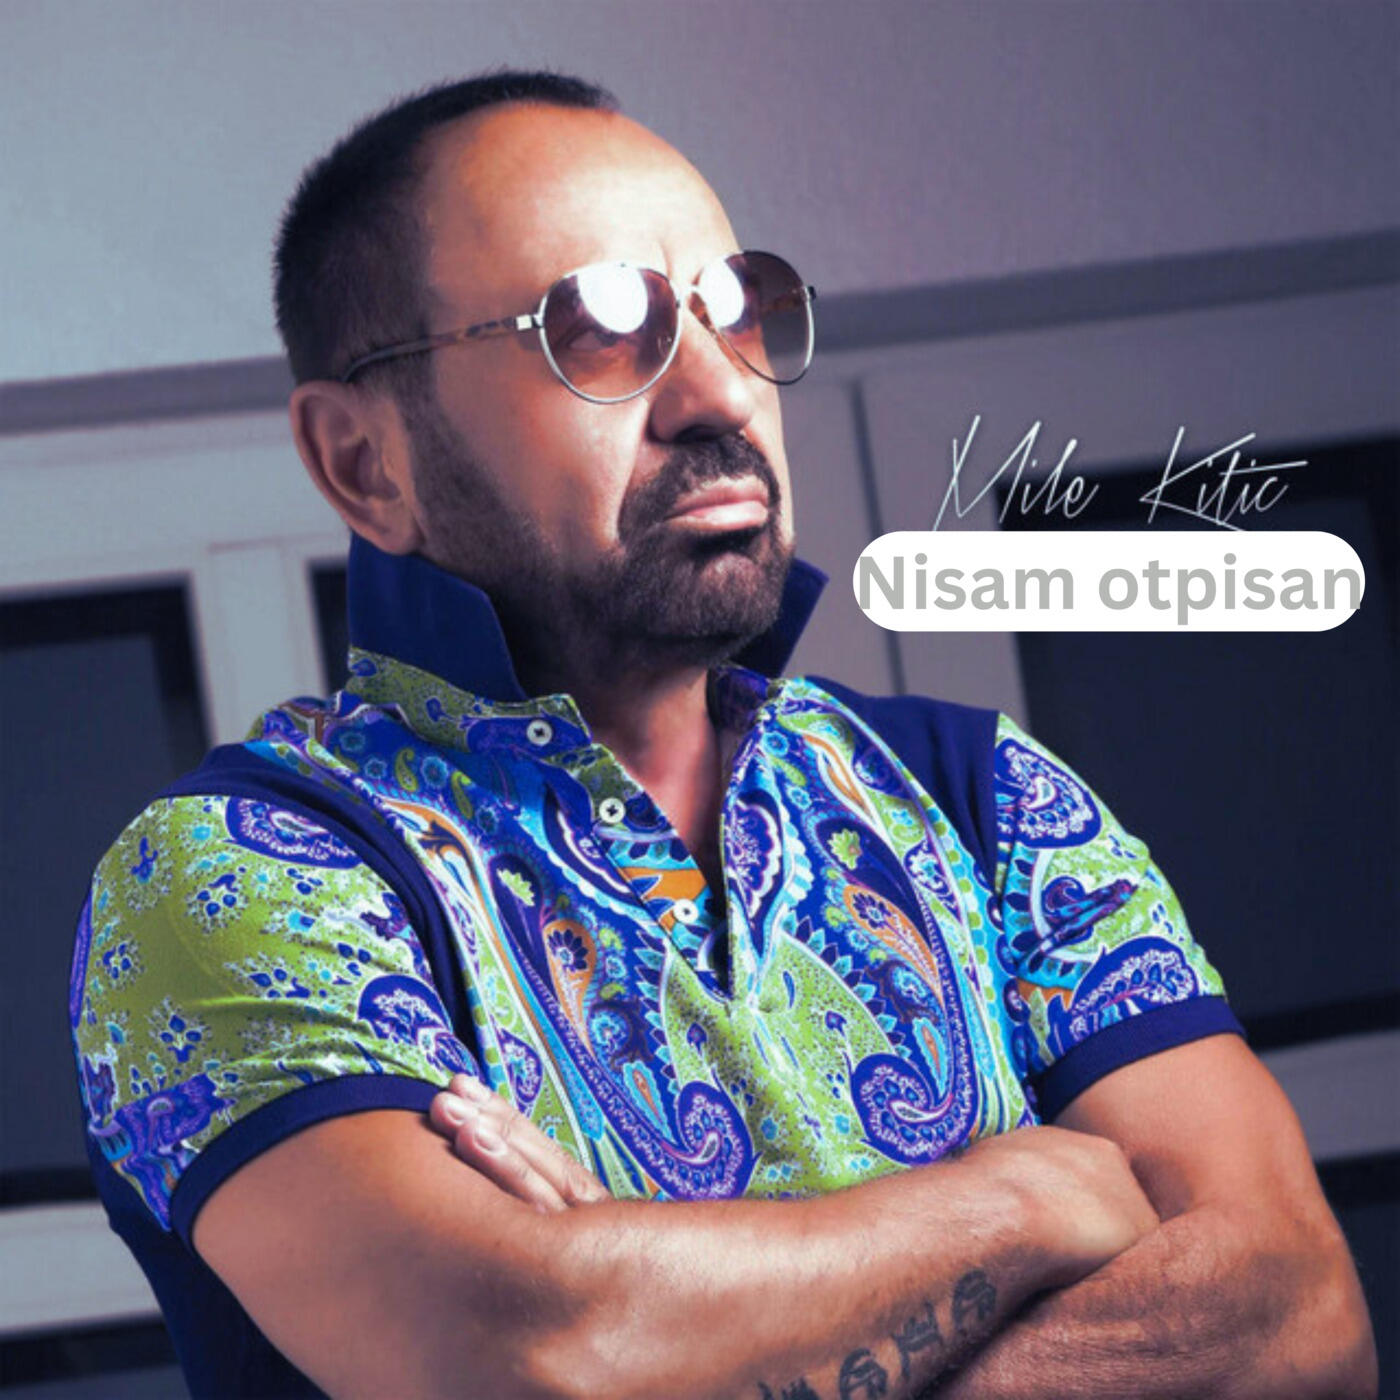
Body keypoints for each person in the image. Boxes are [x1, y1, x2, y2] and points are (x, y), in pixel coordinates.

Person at [70, 70, 1375, 1399]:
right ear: (366, 463)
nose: (719, 394)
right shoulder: (242, 873)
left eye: (738, 310)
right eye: (597, 328)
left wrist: (669, 1312)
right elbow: (531, 1358)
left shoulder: (981, 799)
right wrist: (1029, 1202)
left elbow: (1297, 1316)